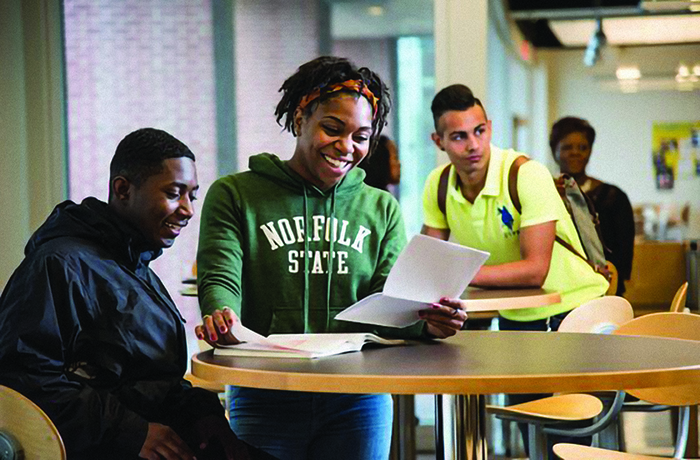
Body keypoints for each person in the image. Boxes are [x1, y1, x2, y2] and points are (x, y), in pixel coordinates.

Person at [194, 56, 467, 460]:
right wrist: (221, 313)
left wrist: (430, 323)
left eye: (361, 136)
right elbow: (221, 276)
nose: (346, 147)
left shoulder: (381, 208)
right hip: (266, 392)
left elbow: (387, 303)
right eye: (332, 129)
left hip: (358, 398)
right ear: (301, 115)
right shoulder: (235, 195)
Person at [0, 128, 260, 460]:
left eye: (192, 196)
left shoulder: (134, 266)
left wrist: (205, 417)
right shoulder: (61, 264)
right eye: (174, 192)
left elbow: (149, 380)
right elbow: (23, 377)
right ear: (123, 189)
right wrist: (131, 432)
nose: (188, 210)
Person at [421, 85, 609, 455]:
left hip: (574, 308)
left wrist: (460, 273)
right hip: (519, 313)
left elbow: (533, 271)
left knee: (567, 438)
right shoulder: (438, 185)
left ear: (490, 127)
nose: (473, 145)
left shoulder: (526, 174)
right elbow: (430, 263)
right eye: (458, 136)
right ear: (438, 141)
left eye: (479, 131)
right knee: (530, 427)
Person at [550, 116, 635, 295]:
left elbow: (623, 256)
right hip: (558, 291)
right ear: (554, 150)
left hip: (604, 288)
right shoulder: (544, 193)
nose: (575, 153)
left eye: (583, 147)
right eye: (567, 147)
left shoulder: (613, 197)